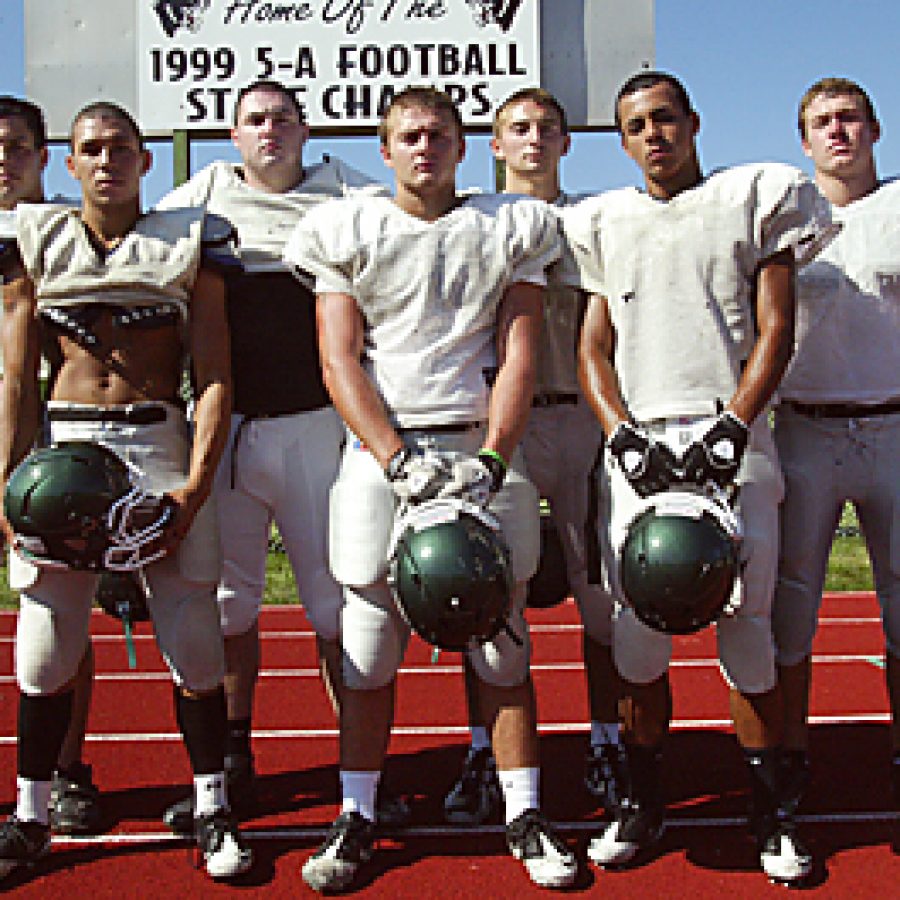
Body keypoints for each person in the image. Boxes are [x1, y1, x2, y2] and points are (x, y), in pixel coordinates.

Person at [283, 85, 577, 892]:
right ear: (384, 151)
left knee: (502, 639)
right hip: (383, 457)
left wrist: (491, 456)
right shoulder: (346, 228)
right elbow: (338, 358)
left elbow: (518, 354)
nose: (425, 147)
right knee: (369, 650)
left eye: (440, 134)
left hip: (478, 449)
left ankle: (523, 811)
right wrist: (393, 457)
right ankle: (357, 813)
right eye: (410, 135)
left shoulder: (510, 226)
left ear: (463, 144)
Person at [567, 71, 832, 884]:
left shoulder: (753, 199)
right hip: (641, 447)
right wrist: (621, 436)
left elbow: (776, 325)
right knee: (637, 636)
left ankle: (771, 816)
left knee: (747, 636)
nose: (654, 134)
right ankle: (642, 805)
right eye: (637, 124)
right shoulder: (604, 221)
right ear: (621, 140)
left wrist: (733, 424)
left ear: (692, 121)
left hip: (731, 436)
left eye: (666, 118)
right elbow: (592, 349)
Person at [0, 101, 252, 880]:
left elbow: (213, 377)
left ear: (147, 162)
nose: (106, 161)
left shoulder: (190, 241)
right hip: (66, 449)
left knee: (192, 640)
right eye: (90, 150)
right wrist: (4, 487)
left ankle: (212, 805)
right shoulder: (31, 239)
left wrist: (197, 486)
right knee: (45, 649)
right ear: (67, 163)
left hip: (155, 441)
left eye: (121, 148)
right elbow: (17, 377)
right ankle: (31, 813)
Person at [154, 79, 396, 833]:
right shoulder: (193, 201)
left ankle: (352, 772)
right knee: (228, 611)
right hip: (227, 427)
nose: (270, 131)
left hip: (315, 427)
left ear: (305, 127)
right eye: (255, 120)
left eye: (283, 119)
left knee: (335, 609)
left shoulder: (354, 196)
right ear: (233, 134)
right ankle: (232, 757)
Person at [442, 87, 620, 827]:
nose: (535, 139)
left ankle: (608, 740)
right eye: (519, 128)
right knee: (486, 596)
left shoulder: (593, 222)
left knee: (600, 594)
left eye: (548, 128)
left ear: (567, 141)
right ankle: (487, 746)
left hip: (578, 416)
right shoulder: (469, 221)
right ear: (494, 141)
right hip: (498, 426)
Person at [772, 77, 900, 810]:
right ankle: (788, 756)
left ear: (875, 129)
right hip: (805, 430)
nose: (838, 132)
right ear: (804, 139)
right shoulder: (785, 220)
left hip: (893, 424)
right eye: (822, 121)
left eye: (850, 118)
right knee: (791, 611)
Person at [0, 95, 101, 836]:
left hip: (46, 441)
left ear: (42, 152)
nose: (3, 159)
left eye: (15, 145)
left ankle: (66, 770)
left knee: (57, 618)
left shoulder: (69, 229)